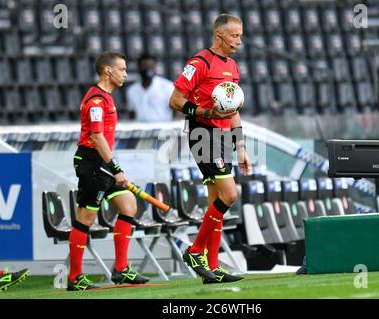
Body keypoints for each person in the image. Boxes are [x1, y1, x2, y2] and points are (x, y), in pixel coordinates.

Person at [169, 14, 251, 284]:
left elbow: (233, 111)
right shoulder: (199, 63)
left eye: (240, 35)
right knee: (229, 195)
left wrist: (241, 148)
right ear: (219, 35)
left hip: (223, 136)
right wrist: (204, 111)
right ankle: (194, 252)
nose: (239, 40)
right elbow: (175, 100)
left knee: (216, 200)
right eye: (234, 35)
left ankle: (213, 267)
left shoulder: (234, 67)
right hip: (202, 133)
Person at [68, 51, 149, 291]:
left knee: (128, 206)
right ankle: (74, 278)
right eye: (122, 69)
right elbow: (96, 136)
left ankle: (121, 270)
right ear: (108, 71)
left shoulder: (107, 97)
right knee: (86, 217)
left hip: (103, 163)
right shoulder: (96, 100)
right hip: (92, 163)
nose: (126, 73)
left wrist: (111, 166)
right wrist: (116, 168)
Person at [126, 53, 176, 122]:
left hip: (163, 129)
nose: (147, 70)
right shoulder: (132, 90)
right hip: (141, 130)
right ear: (139, 68)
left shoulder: (167, 86)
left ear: (155, 68)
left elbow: (176, 111)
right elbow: (132, 114)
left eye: (150, 67)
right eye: (144, 67)